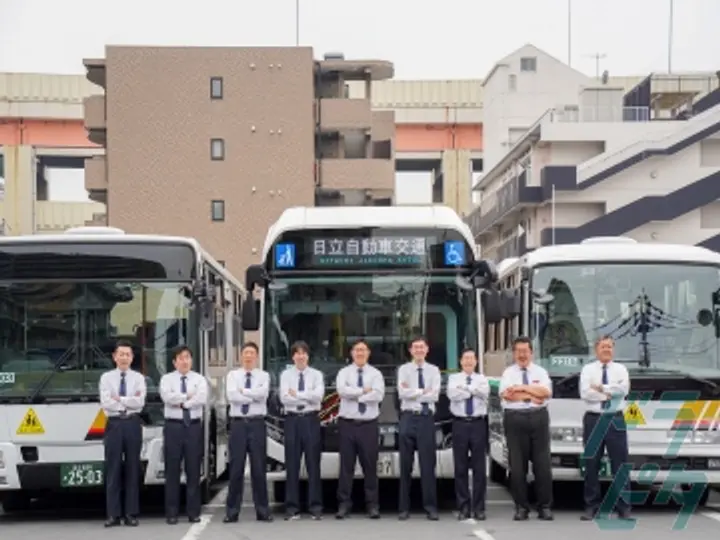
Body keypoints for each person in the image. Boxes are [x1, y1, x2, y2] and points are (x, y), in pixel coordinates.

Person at [499, 336, 553, 521]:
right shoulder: (508, 373)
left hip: (538, 419)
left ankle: (544, 507)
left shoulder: (541, 371)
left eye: (525, 351)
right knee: (517, 466)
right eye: (519, 351)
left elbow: (546, 393)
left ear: (531, 352)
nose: (522, 355)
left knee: (542, 465)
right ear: (514, 353)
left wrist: (521, 388)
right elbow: (507, 395)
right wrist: (531, 394)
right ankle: (521, 508)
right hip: (515, 420)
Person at [579, 335, 631, 521]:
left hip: (615, 419)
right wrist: (609, 392)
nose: (606, 350)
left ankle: (623, 507)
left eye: (609, 347)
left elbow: (622, 391)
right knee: (591, 464)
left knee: (620, 464)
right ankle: (591, 506)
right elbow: (585, 393)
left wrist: (600, 388)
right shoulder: (587, 370)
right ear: (596, 350)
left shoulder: (621, 370)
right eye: (603, 347)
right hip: (594, 419)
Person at [335, 339, 385, 520]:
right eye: (357, 350)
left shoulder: (376, 374)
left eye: (363, 350)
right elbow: (342, 391)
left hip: (368, 425)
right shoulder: (344, 373)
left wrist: (355, 394)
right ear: (351, 353)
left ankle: (372, 505)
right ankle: (344, 504)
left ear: (368, 353)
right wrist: (364, 391)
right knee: (346, 467)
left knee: (370, 467)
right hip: (347, 424)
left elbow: (378, 395)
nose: (360, 353)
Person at [224, 342, 273, 523]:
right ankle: (231, 512)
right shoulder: (232, 375)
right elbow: (232, 396)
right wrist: (251, 394)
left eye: (252, 353)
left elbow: (263, 395)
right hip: (238, 425)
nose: (249, 356)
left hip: (257, 423)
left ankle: (263, 511)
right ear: (241, 355)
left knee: (259, 469)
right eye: (246, 353)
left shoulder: (264, 375)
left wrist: (243, 391)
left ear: (257, 356)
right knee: (236, 469)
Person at [99, 340, 146, 527]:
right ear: (114, 357)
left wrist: (120, 399)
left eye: (128, 354)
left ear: (132, 357)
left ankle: (131, 513)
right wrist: (128, 401)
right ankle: (113, 514)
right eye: (121, 354)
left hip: (133, 424)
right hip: (114, 424)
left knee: (133, 469)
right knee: (113, 469)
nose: (124, 357)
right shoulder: (106, 378)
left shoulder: (139, 378)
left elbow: (140, 403)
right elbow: (106, 403)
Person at [159, 345, 208, 525]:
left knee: (193, 470)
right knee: (172, 470)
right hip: (173, 427)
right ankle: (171, 513)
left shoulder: (199, 379)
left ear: (191, 360)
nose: (184, 361)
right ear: (174, 362)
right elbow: (167, 398)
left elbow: (201, 399)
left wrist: (182, 402)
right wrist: (187, 397)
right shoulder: (166, 379)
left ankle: (193, 512)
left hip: (193, 427)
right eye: (180, 358)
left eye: (187, 357)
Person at [279, 341, 325, 520]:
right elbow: (284, 399)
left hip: (311, 420)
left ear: (308, 356)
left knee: (314, 464)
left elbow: (318, 397)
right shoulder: (285, 375)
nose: (300, 356)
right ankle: (292, 508)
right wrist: (307, 396)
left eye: (304, 353)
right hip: (292, 421)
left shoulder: (316, 375)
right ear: (293, 357)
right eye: (297, 353)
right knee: (292, 465)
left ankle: (315, 507)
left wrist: (296, 395)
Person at [397, 336, 441, 521]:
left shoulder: (434, 370)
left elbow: (435, 396)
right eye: (415, 347)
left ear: (427, 349)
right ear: (410, 350)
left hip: (426, 420)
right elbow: (402, 393)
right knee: (405, 466)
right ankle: (403, 509)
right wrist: (423, 392)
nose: (419, 350)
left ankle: (430, 508)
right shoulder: (404, 369)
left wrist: (414, 392)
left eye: (421, 347)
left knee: (427, 466)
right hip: (408, 418)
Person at [447, 348, 490, 521]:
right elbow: (453, 395)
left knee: (480, 468)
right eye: (465, 358)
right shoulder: (453, 379)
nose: (468, 361)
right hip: (460, 424)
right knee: (460, 467)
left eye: (471, 358)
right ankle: (463, 506)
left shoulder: (482, 379)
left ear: (476, 361)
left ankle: (479, 508)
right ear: (460, 361)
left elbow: (484, 393)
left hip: (479, 423)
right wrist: (472, 390)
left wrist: (465, 388)